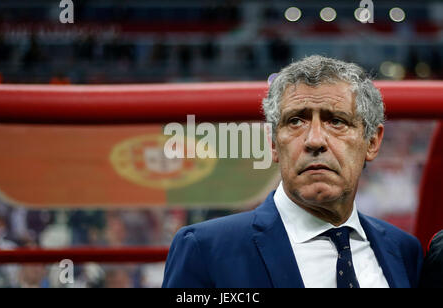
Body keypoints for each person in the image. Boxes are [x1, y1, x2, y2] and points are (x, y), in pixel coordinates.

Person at [162, 55, 423, 288]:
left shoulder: (403, 251)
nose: (315, 140)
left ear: (372, 142)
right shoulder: (205, 250)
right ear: (274, 144)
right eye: (296, 121)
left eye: (336, 121)